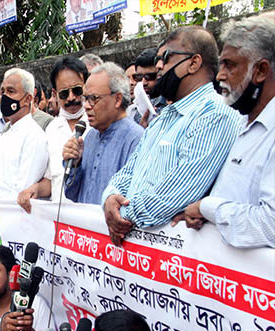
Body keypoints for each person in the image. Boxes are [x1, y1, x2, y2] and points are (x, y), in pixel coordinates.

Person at [102, 26, 241, 245]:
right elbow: (128, 172)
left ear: (194, 63)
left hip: (171, 259)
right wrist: (110, 198)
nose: (158, 66)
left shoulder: (215, 114)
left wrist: (121, 216)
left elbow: (175, 195)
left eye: (165, 58)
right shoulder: (163, 117)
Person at [171, 16, 275, 248]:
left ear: (260, 70)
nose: (220, 76)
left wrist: (207, 208)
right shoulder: (239, 122)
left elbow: (270, 226)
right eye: (220, 65)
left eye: (230, 65)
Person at [62, 62, 144, 204]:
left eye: (93, 99)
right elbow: (72, 195)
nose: (86, 106)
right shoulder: (89, 137)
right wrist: (76, 164)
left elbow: (131, 201)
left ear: (117, 99)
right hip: (85, 224)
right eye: (85, 99)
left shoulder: (136, 139)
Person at [24, 56, 89, 205]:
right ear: (54, 94)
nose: (71, 98)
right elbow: (51, 180)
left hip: (91, 217)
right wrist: (35, 190)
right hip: (61, 220)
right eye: (64, 94)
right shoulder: (51, 130)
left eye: (77, 90)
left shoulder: (98, 125)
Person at [0, 68, 48, 200]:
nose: (4, 97)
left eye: (11, 91)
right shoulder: (3, 136)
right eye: (2, 92)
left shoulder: (34, 135)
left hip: (16, 214)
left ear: (28, 99)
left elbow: (23, 189)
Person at [131, 48, 168, 127]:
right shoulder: (138, 107)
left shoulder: (170, 104)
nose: (144, 82)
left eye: (150, 76)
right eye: (139, 77)